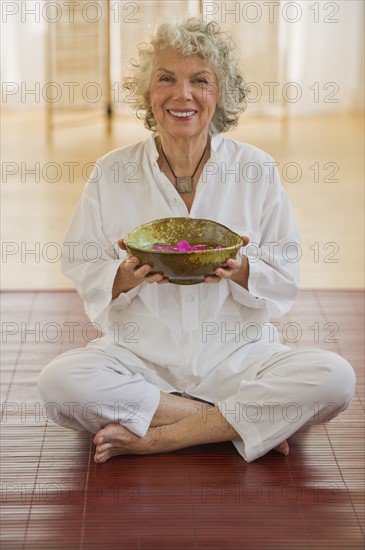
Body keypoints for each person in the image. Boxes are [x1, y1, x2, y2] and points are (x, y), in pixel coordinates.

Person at [38, 18, 355, 464]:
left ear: (219, 94)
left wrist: (242, 269)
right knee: (60, 384)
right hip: (141, 361)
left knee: (334, 378)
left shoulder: (256, 169)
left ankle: (162, 436)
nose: (182, 94)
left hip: (240, 361)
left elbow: (285, 273)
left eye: (200, 81)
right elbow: (83, 261)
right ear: (148, 92)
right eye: (166, 78)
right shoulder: (112, 171)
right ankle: (230, 424)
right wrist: (124, 277)